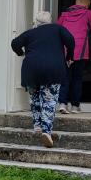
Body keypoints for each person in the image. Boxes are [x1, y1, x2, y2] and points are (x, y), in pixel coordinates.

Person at [11, 11, 75, 148]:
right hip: (53, 69)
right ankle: (46, 131)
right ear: (50, 20)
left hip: (31, 69)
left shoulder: (30, 33)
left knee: (35, 98)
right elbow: (71, 40)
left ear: (36, 22)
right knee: (49, 100)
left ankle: (37, 125)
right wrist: (70, 57)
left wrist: (21, 53)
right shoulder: (58, 29)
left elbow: (15, 43)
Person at [57, 0, 91, 113]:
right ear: (87, 4)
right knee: (77, 78)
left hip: (65, 51)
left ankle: (62, 103)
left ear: (76, 3)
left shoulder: (64, 15)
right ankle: (75, 106)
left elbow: (57, 29)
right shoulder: (88, 14)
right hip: (80, 52)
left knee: (65, 77)